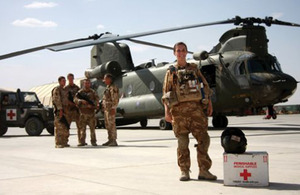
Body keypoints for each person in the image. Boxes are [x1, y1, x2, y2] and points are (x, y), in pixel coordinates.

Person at [162, 42, 217, 181]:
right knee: (182, 143)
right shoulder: (171, 71)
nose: (180, 53)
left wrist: (209, 103)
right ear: (174, 53)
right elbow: (166, 93)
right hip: (179, 114)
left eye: (183, 50)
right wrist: (167, 112)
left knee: (204, 139)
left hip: (196, 111)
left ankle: (204, 170)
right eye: (178, 50)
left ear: (186, 52)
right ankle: (184, 171)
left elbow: (204, 86)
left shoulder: (194, 68)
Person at [74, 79, 99, 146]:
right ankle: (82, 141)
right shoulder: (80, 92)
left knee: (92, 129)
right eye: (85, 83)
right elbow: (75, 99)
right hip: (83, 113)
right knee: (82, 129)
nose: (87, 84)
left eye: (88, 83)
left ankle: (93, 142)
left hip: (91, 113)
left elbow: (97, 100)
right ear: (83, 84)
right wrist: (81, 101)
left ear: (90, 84)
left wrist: (93, 105)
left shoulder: (93, 92)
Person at [52, 76, 70, 148]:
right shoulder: (57, 89)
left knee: (65, 127)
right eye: (63, 81)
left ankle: (64, 142)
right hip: (60, 111)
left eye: (65, 80)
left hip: (66, 111)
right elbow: (56, 100)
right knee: (59, 127)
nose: (64, 82)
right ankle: (58, 143)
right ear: (59, 81)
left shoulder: (65, 90)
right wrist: (60, 110)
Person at [102, 74, 119, 146]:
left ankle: (113, 140)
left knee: (111, 125)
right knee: (108, 125)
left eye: (105, 79)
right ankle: (110, 139)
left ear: (109, 79)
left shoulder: (113, 87)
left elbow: (115, 99)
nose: (104, 80)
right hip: (106, 110)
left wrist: (113, 108)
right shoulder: (107, 87)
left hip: (110, 109)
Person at [65, 73, 81, 143]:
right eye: (69, 78)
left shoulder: (77, 88)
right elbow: (64, 99)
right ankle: (65, 141)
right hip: (69, 110)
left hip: (76, 110)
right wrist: (72, 103)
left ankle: (81, 141)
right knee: (67, 126)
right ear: (68, 79)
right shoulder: (66, 88)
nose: (71, 79)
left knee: (79, 126)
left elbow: (80, 97)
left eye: (72, 78)